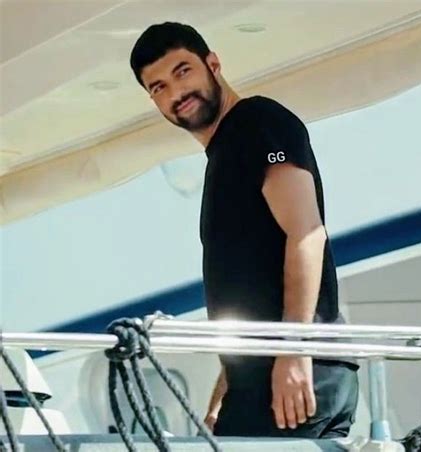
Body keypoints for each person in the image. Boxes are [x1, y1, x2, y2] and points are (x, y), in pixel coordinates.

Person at [130, 22, 359, 439]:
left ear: (213, 64)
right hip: (267, 374)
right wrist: (225, 391)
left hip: (296, 370)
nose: (176, 93)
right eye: (158, 87)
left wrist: (293, 352)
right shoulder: (224, 153)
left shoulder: (258, 122)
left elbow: (306, 232)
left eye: (183, 71)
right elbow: (246, 294)